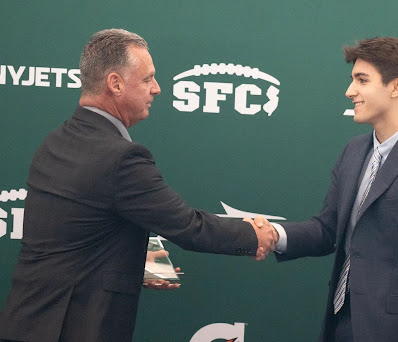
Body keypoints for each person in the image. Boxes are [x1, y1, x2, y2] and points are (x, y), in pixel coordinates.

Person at [0, 29, 277, 342]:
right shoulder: (121, 157)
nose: (157, 89)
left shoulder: (54, 142)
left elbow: (72, 231)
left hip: (25, 323)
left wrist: (134, 259)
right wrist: (253, 235)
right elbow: (187, 226)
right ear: (115, 83)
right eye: (148, 79)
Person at [251, 37, 398, 341]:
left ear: (396, 87)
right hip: (339, 325)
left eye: (361, 80)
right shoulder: (353, 151)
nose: (350, 91)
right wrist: (275, 235)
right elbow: (327, 229)